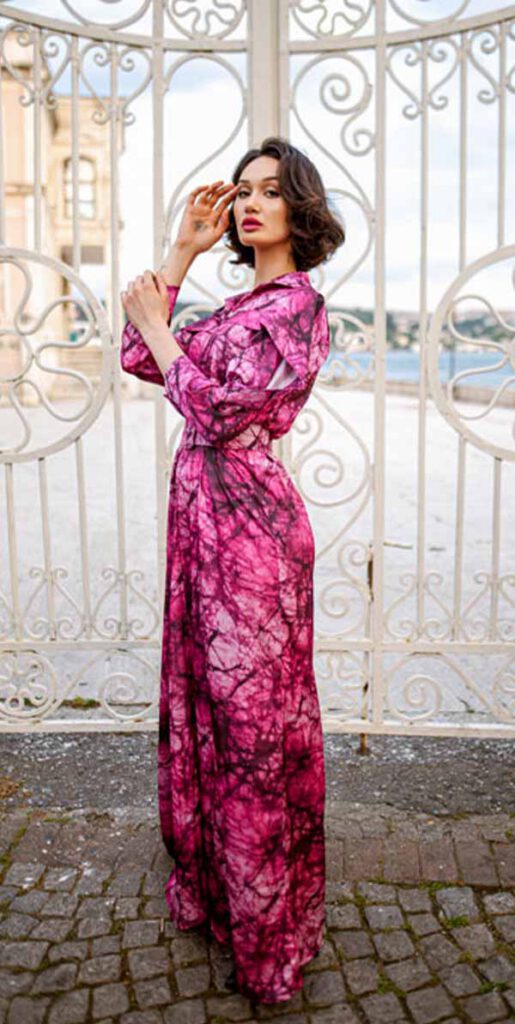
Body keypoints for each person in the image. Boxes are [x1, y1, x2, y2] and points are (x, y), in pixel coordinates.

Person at [120, 136, 345, 1005]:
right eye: (242, 192)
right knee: (205, 710)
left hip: (252, 537)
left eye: (271, 191)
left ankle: (267, 938)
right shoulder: (233, 307)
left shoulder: (296, 309)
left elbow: (216, 413)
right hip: (203, 525)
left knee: (252, 731)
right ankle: (219, 897)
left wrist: (157, 327)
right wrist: (181, 251)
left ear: (300, 209)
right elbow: (142, 359)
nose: (250, 204)